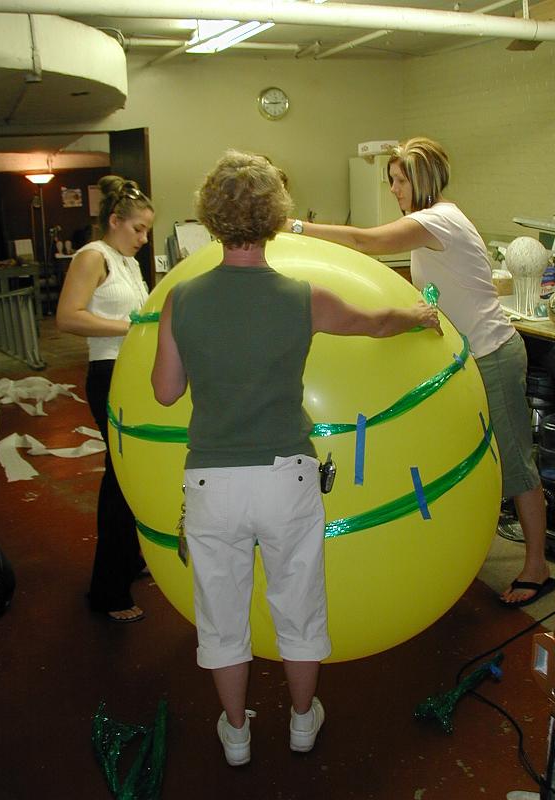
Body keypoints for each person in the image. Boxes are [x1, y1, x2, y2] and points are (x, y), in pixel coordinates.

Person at [151, 150, 442, 767]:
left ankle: (236, 734)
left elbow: (166, 392)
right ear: (275, 216)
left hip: (212, 483)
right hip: (287, 477)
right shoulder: (301, 297)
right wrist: (418, 316)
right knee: (299, 604)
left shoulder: (181, 299)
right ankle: (303, 722)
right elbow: (376, 323)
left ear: (211, 218)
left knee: (221, 616)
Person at [284, 136, 554, 609]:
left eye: (399, 180)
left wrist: (295, 228)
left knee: (514, 462)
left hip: (492, 354)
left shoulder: (438, 220)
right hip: (468, 358)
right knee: (469, 456)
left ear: (422, 179)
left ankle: (538, 568)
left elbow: (366, 242)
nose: (393, 190)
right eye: (391, 181)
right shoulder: (432, 223)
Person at [57, 175, 154, 622]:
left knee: (131, 472)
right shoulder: (92, 256)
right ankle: (108, 591)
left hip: (130, 374)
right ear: (115, 221)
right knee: (119, 477)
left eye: (147, 230)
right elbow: (68, 317)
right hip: (108, 374)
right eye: (138, 229)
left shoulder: (126, 262)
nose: (144, 238)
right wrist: (131, 327)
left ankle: (128, 559)